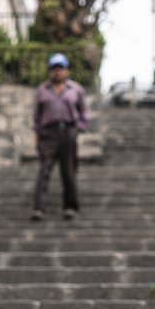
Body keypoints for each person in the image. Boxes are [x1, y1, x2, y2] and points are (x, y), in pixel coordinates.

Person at [31, 53, 89, 221]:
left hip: (69, 132)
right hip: (48, 133)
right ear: (50, 71)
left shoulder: (76, 90)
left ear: (66, 70)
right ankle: (39, 208)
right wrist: (37, 134)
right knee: (44, 170)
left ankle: (70, 206)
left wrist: (79, 128)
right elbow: (36, 115)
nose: (58, 72)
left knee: (69, 171)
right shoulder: (42, 90)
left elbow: (84, 112)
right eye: (54, 69)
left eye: (61, 68)